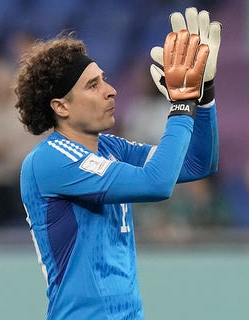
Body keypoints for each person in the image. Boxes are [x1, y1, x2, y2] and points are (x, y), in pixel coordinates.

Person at [14, 7, 220, 319]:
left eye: (104, 80)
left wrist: (202, 100)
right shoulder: (48, 161)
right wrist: (180, 103)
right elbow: (157, 184)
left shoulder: (111, 148)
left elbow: (196, 164)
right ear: (61, 106)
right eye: (92, 85)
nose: (110, 91)